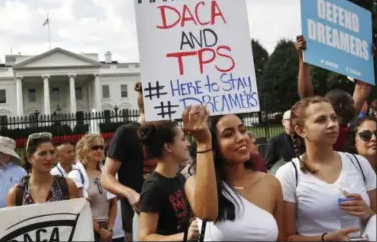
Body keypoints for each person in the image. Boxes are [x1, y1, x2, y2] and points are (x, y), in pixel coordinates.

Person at [276, 96, 376, 241]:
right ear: (301, 130)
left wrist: (368, 214)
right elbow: (287, 237)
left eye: (334, 118)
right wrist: (326, 239)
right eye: (321, 120)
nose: (332, 124)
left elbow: (375, 220)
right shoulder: (288, 174)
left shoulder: (360, 164)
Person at [184, 105, 284, 241]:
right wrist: (203, 143)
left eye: (242, 130)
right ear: (213, 144)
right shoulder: (194, 183)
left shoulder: (271, 183)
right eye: (228, 134)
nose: (241, 138)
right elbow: (206, 213)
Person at [101, 82, 157, 241]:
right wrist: (130, 194)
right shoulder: (126, 133)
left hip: (168, 221)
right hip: (136, 221)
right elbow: (106, 177)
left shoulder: (167, 134)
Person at [295, 35, 371, 152]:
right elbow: (306, 96)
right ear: (340, 106)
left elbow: (362, 88)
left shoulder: (349, 130)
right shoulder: (325, 133)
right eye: (351, 101)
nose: (354, 104)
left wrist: (367, 57)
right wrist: (303, 59)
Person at [137, 121, 199, 241]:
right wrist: (185, 236)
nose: (188, 144)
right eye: (182, 139)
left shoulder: (180, 178)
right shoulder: (153, 188)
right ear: (168, 147)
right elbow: (145, 237)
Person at [7, 132, 79, 206]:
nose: (49, 158)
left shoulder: (68, 186)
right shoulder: (16, 194)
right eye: (42, 154)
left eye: (51, 152)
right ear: (30, 158)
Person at [69, 134, 117, 242]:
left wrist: (109, 229)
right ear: (84, 150)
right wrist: (100, 230)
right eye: (95, 147)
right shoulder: (75, 175)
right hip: (85, 227)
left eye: (101, 147)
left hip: (107, 229)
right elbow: (81, 208)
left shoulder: (107, 173)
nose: (99, 150)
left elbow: (113, 203)